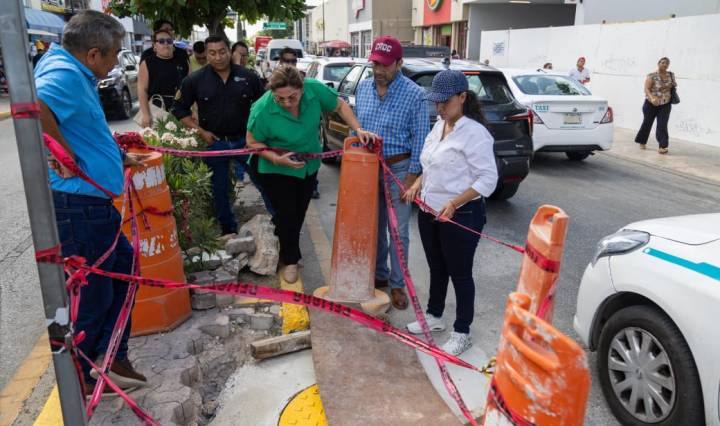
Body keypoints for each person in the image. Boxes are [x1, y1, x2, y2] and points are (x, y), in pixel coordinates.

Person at [34, 10, 149, 392]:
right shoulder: (64, 74)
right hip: (78, 207)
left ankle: (110, 355)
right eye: (114, 53)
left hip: (91, 205)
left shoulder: (73, 69)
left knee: (124, 270)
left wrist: (116, 156)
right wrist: (62, 154)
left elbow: (85, 128)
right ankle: (82, 377)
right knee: (94, 293)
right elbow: (36, 106)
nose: (117, 61)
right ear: (93, 53)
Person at [246, 66, 376, 284]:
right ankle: (291, 260)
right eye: (280, 99)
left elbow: (340, 105)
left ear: (302, 89)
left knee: (298, 212)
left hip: (308, 164)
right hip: (275, 167)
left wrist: (358, 128)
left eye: (292, 97)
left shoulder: (314, 89)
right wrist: (277, 159)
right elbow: (252, 142)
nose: (287, 103)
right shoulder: (262, 109)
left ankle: (283, 243)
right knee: (287, 213)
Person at [403, 70, 497, 356]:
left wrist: (455, 203)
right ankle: (434, 315)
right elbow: (431, 164)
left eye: (445, 101)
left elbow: (487, 179)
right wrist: (417, 184)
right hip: (429, 210)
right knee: (437, 267)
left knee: (460, 273)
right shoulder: (439, 126)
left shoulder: (475, 134)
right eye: (436, 101)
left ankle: (462, 331)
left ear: (462, 97)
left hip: (461, 214)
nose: (439, 107)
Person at [355, 35, 430, 310]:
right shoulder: (363, 89)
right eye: (375, 63)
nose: (378, 70)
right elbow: (356, 128)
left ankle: (398, 285)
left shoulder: (415, 94)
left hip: (399, 168)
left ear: (399, 63)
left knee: (398, 231)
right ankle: (380, 275)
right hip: (367, 167)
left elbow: (421, 138)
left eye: (385, 65)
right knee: (373, 227)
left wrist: (411, 178)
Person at [172, 35, 264, 235]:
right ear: (206, 54)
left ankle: (278, 223)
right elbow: (179, 109)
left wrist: (256, 136)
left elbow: (263, 107)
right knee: (219, 190)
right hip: (215, 143)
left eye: (222, 52)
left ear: (229, 51)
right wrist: (200, 132)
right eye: (212, 53)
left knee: (263, 181)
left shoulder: (248, 77)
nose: (218, 57)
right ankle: (228, 230)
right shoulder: (195, 80)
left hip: (245, 142)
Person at [137, 29, 189, 127]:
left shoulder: (183, 61)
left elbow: (192, 87)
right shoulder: (147, 63)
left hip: (181, 109)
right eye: (161, 41)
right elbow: (142, 90)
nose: (166, 44)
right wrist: (145, 114)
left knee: (184, 137)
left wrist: (194, 111)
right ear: (155, 45)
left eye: (169, 41)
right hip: (157, 109)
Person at [635, 57, 677, 154]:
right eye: (663, 63)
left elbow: (674, 84)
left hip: (665, 104)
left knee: (662, 125)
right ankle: (642, 141)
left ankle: (663, 146)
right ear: (658, 64)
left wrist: (671, 85)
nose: (665, 64)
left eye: (667, 63)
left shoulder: (671, 75)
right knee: (647, 123)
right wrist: (652, 98)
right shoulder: (652, 75)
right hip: (651, 104)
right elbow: (646, 89)